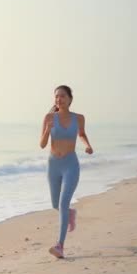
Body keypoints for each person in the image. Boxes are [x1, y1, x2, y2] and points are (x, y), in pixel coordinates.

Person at [39, 85, 93, 259]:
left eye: (62, 96)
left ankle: (60, 245)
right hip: (53, 164)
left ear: (70, 99)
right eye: (56, 97)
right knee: (56, 205)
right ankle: (71, 213)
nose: (58, 99)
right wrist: (47, 129)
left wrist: (87, 145)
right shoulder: (49, 117)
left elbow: (82, 134)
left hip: (71, 164)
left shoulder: (79, 118)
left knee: (62, 204)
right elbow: (41, 144)